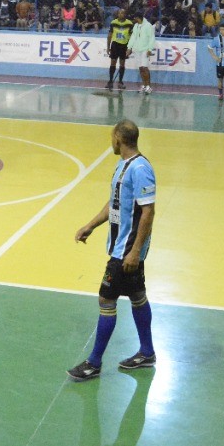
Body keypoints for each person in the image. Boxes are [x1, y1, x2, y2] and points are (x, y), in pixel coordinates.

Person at [67, 119, 157, 381]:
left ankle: (94, 363)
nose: (111, 141)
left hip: (125, 251)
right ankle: (147, 352)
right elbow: (115, 204)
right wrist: (90, 225)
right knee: (137, 296)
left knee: (106, 300)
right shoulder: (122, 165)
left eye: (111, 137)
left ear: (118, 138)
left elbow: (148, 212)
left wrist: (135, 251)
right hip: (121, 247)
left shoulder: (140, 169)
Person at [127, 11, 155, 94]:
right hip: (137, 50)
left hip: (145, 50)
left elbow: (151, 38)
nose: (134, 19)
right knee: (140, 68)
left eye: (134, 18)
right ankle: (144, 85)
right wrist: (129, 47)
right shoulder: (136, 26)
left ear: (138, 18)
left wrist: (150, 49)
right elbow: (133, 37)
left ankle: (148, 86)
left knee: (145, 68)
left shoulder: (148, 26)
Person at [106, 8, 133, 90]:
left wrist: (130, 48)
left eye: (123, 13)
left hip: (124, 45)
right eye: (120, 13)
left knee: (122, 64)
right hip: (115, 45)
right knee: (113, 63)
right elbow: (110, 35)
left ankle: (120, 82)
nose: (121, 14)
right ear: (117, 14)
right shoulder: (113, 22)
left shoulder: (129, 23)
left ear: (125, 14)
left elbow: (132, 37)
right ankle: (110, 81)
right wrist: (108, 47)